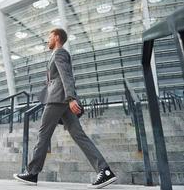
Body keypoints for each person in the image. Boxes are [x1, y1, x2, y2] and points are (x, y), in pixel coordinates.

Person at [13, 28, 117, 189]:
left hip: (57, 100)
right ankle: (105, 170)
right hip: (62, 100)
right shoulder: (56, 54)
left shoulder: (59, 53)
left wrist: (71, 98)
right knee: (79, 136)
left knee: (43, 134)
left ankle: (32, 172)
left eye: (49, 37)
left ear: (56, 37)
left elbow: (66, 75)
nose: (47, 40)